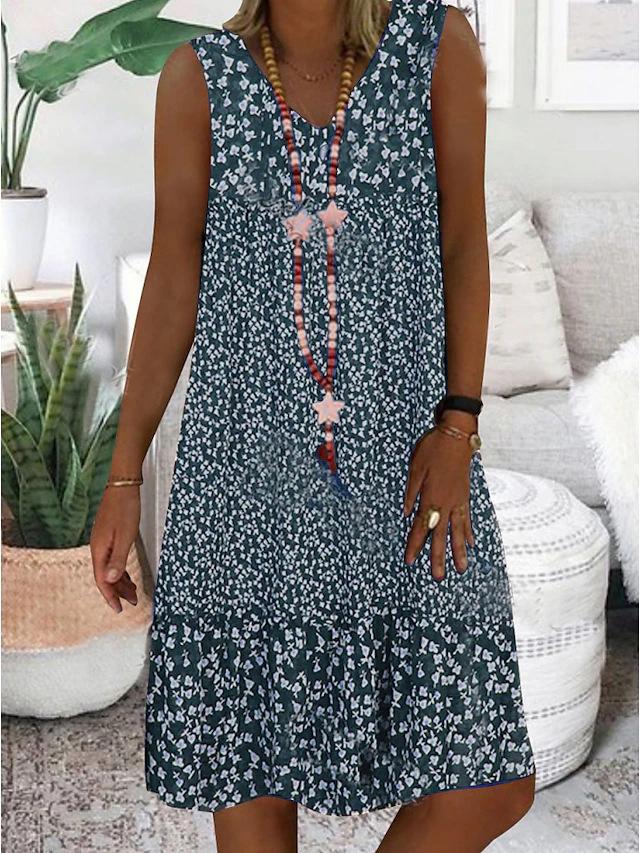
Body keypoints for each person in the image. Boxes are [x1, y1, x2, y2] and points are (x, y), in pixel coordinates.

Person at [90, 0, 537, 850]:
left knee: (491, 782)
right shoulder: (200, 78)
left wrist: (459, 424)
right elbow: (174, 280)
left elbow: (464, 244)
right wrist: (122, 474)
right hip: (243, 482)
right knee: (252, 765)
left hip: (409, 468)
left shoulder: (436, 45)